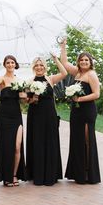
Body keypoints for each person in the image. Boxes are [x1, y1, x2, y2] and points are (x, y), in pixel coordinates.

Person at [60, 39, 101, 184]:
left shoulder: (92, 74)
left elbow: (96, 94)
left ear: (90, 62)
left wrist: (79, 100)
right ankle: (78, 173)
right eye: (81, 60)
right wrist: (63, 46)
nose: (83, 62)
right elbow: (64, 63)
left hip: (87, 111)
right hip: (76, 112)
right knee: (76, 140)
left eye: (86, 60)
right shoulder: (76, 72)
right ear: (78, 62)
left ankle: (89, 174)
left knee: (87, 139)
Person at [26, 55, 67, 186]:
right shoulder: (29, 81)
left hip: (49, 115)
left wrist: (56, 59)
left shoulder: (50, 79)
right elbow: (27, 101)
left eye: (41, 65)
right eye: (36, 65)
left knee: (50, 142)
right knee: (37, 142)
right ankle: (37, 175)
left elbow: (64, 73)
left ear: (45, 67)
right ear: (33, 67)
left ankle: (51, 174)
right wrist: (34, 99)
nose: (39, 67)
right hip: (35, 115)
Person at [0, 53, 26, 187]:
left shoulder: (20, 80)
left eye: (12, 62)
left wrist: (26, 96)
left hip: (17, 116)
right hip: (3, 116)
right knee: (6, 147)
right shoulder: (3, 79)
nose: (10, 64)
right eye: (8, 63)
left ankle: (15, 174)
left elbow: (24, 99)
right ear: (4, 65)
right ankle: (7, 177)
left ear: (15, 64)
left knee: (17, 147)